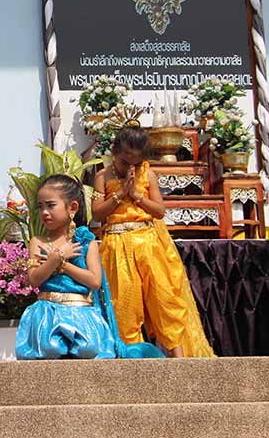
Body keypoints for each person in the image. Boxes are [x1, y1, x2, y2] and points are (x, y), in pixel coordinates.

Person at [91, 125, 214, 358]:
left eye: (136, 163)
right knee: (125, 305)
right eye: (125, 162)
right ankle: (132, 360)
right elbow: (97, 214)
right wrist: (120, 194)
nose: (131, 168)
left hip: (148, 243)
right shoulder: (102, 177)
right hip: (117, 245)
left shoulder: (147, 175)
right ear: (114, 152)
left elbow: (159, 211)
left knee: (164, 299)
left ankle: (179, 360)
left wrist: (137, 197)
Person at [16, 174, 164, 360]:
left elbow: (94, 281)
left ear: (72, 208)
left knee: (88, 348)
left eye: (51, 205)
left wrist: (63, 266)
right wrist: (56, 258)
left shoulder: (86, 241)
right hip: (48, 315)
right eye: (41, 206)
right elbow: (34, 279)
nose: (44, 212)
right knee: (49, 347)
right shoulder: (38, 242)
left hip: (81, 315)